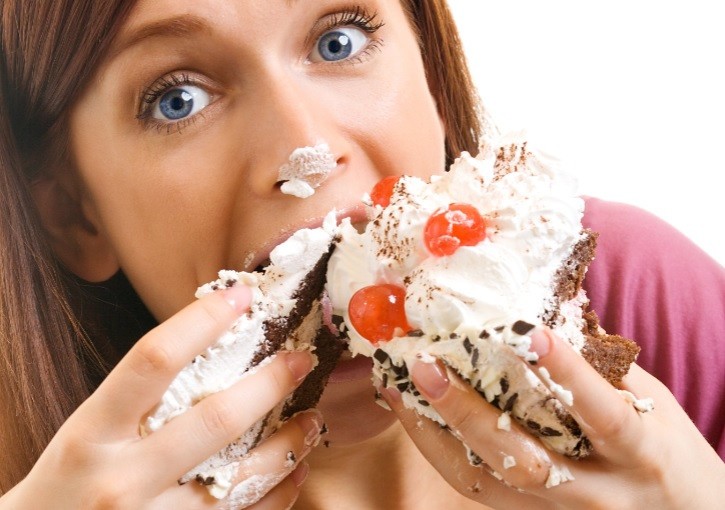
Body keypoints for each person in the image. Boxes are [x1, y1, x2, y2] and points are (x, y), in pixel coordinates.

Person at [0, 0, 723, 508]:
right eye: (177, 99)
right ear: (74, 216)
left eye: (337, 41)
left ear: (433, 76)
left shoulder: (632, 294)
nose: (305, 149)